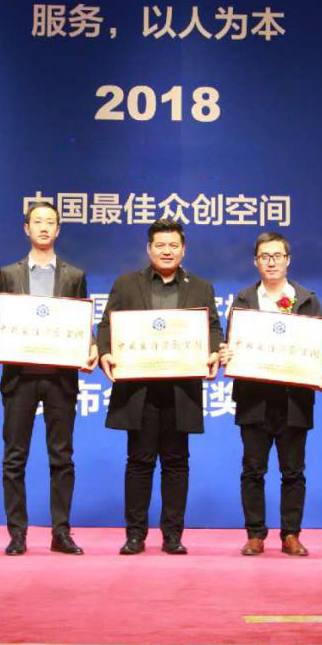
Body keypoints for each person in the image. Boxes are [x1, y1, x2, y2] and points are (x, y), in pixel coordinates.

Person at [96, 218, 224, 555]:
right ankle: (135, 535)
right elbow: (107, 325)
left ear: (183, 250)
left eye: (173, 245)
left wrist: (214, 351)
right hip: (139, 388)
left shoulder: (201, 287)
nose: (167, 251)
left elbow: (213, 328)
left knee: (176, 462)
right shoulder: (127, 284)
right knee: (139, 461)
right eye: (160, 245)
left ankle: (173, 535)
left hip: (181, 388)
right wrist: (106, 352)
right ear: (149, 248)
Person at [0, 201, 97, 556]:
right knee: (14, 457)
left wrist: (91, 346)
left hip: (60, 378)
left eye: (50, 222)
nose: (44, 227)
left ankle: (61, 532)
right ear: (26, 229)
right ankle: (17, 533)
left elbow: (81, 321)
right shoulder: (9, 273)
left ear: (58, 230)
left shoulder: (74, 275)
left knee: (61, 457)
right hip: (20, 377)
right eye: (37, 221)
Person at [218, 232, 322, 557]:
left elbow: (319, 346)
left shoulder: (306, 299)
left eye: (277, 256)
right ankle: (255, 534)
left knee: (293, 471)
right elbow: (231, 341)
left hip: (294, 400)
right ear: (256, 262)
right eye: (265, 256)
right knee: (253, 470)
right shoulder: (243, 300)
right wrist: (227, 354)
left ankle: (291, 534)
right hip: (254, 399)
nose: (271, 262)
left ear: (287, 260)